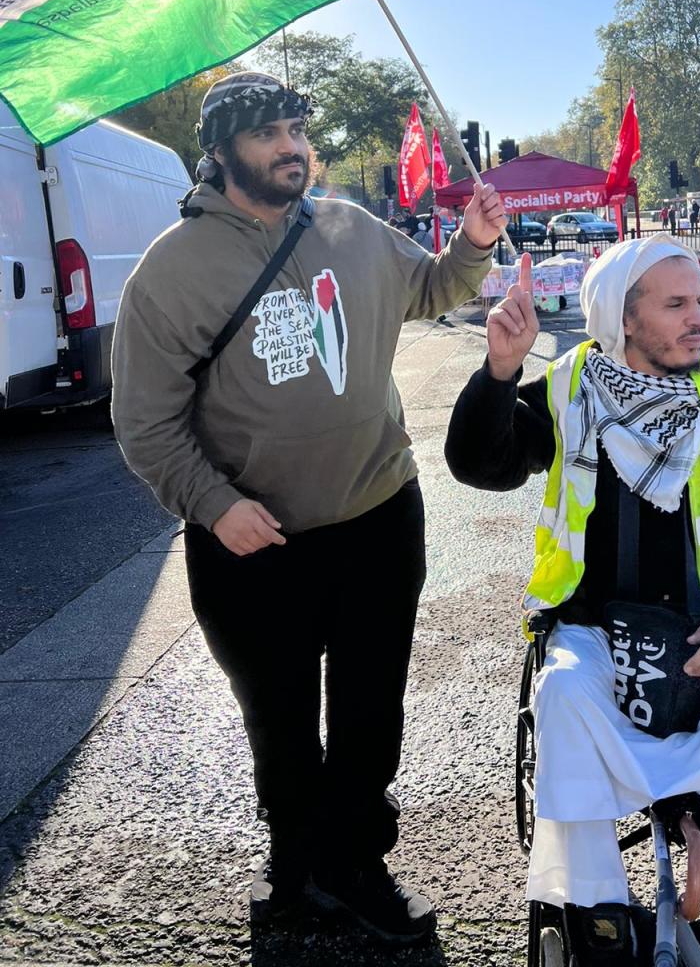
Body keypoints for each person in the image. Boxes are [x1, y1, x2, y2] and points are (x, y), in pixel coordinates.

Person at [111, 72, 505, 939]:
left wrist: (472, 245)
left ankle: (357, 862)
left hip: (377, 517)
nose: (293, 147)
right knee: (279, 717)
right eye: (270, 135)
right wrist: (215, 506)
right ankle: (296, 865)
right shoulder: (171, 272)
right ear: (220, 154)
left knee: (371, 709)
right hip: (254, 542)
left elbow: (433, 289)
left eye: (298, 129)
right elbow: (143, 423)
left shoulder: (351, 228)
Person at [444, 237, 700, 967]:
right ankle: (599, 923)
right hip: (596, 627)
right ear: (623, 321)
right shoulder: (569, 387)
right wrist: (500, 372)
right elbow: (481, 464)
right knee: (562, 699)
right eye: (678, 305)